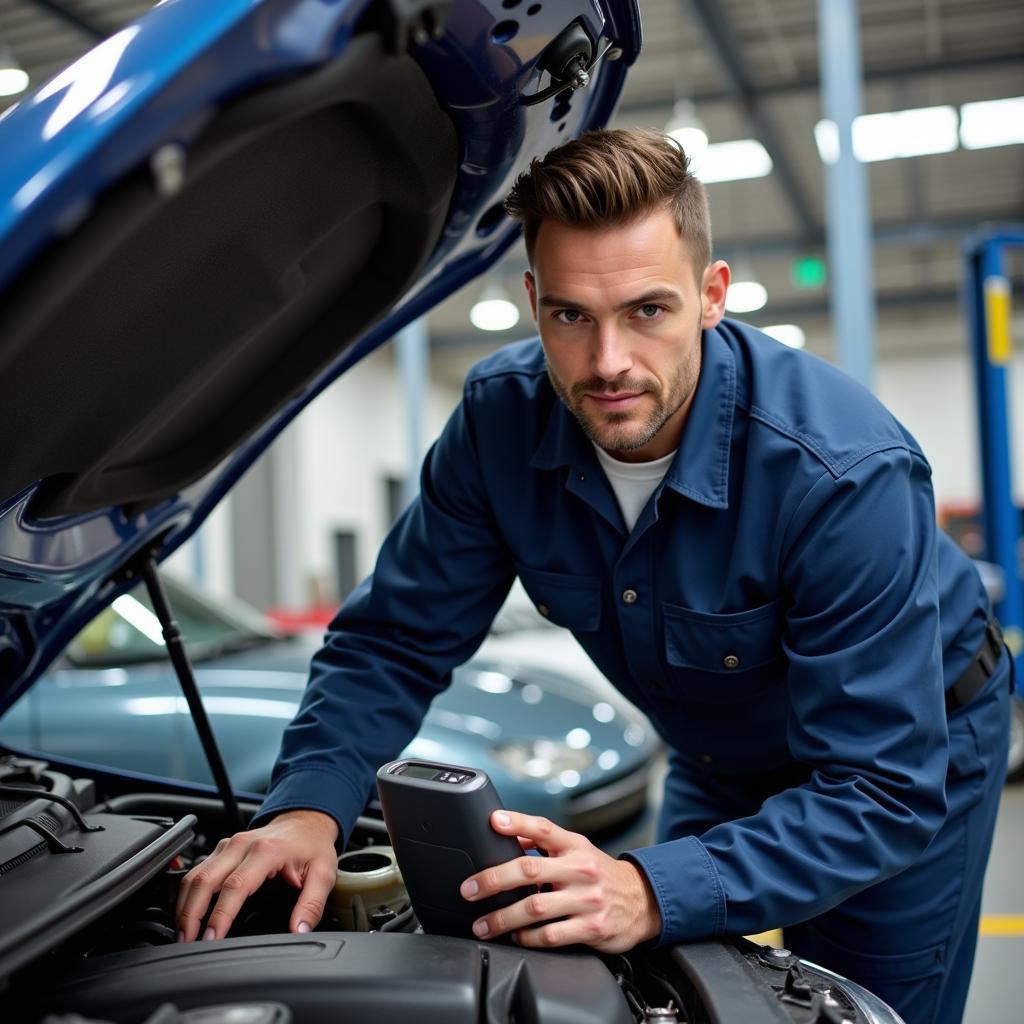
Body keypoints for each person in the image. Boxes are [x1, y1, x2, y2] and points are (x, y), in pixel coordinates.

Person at [175, 129, 1011, 1024]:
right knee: (674, 995)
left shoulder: (841, 474)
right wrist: (309, 807)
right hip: (719, 753)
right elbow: (394, 642)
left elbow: (881, 788)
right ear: (534, 302)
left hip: (904, 760)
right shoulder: (499, 425)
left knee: (864, 1003)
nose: (608, 361)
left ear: (711, 296)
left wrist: (649, 889)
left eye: (648, 311)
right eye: (572, 316)